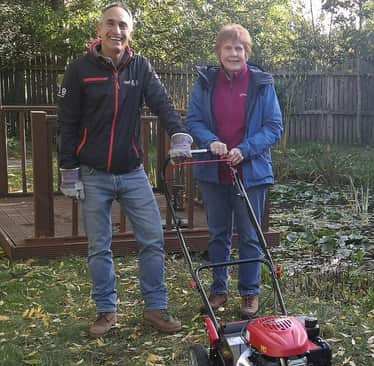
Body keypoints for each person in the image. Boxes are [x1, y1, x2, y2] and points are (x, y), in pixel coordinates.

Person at [57, 2, 193, 338]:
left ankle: (155, 308)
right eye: (110, 24)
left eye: (122, 26)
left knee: (152, 239)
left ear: (130, 33)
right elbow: (67, 122)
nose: (116, 31)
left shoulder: (140, 67)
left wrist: (177, 133)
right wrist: (68, 169)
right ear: (98, 30)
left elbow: (161, 102)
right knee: (99, 246)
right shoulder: (79, 70)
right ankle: (106, 311)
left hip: (133, 173)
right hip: (93, 174)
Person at [179, 23, 282, 319]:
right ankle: (219, 290)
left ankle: (250, 293)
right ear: (219, 51)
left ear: (247, 52)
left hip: (251, 171)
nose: (234, 53)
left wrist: (245, 149)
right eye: (228, 48)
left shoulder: (262, 84)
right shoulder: (206, 82)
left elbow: (274, 127)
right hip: (214, 171)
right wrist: (211, 141)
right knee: (218, 234)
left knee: (250, 236)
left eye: (239, 48)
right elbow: (194, 120)